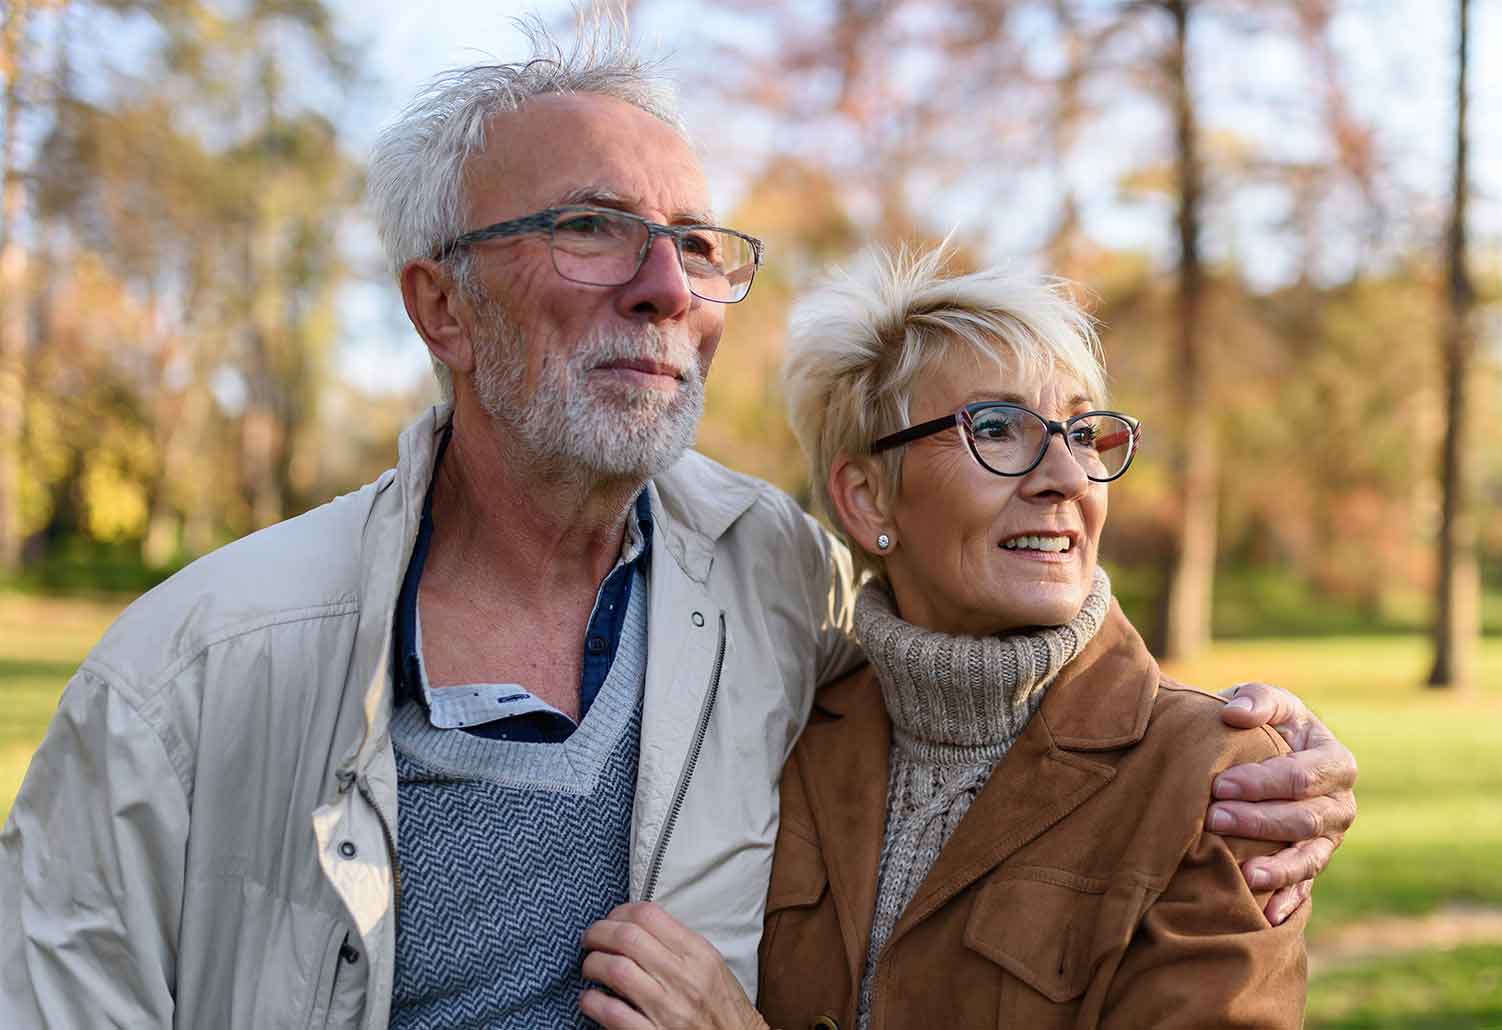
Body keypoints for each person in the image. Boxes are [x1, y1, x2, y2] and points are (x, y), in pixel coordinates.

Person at [0, 16, 1354, 1030]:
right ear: (440, 305)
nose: (666, 286)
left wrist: (1270, 756)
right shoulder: (195, 668)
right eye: (592, 228)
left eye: (698, 244)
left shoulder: (778, 590)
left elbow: (994, 657)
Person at [575, 252, 1309, 1029]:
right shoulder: (788, 737)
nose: (1065, 475)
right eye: (996, 427)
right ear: (866, 500)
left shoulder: (1215, 779)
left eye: (1083, 432)